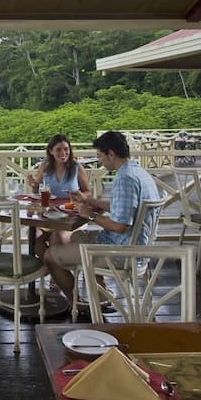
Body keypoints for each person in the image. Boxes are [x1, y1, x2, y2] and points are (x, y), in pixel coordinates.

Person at [42, 131, 160, 309]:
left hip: (122, 252)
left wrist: (90, 215)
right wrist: (89, 200)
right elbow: (122, 207)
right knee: (76, 236)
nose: (100, 161)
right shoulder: (138, 171)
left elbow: (120, 226)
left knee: (49, 256)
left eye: (100, 156)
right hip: (137, 245)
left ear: (111, 154)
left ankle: (77, 303)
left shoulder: (125, 178)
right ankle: (101, 293)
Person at [25, 134, 91, 258]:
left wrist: (79, 196)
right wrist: (34, 185)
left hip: (71, 217)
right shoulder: (45, 167)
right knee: (33, 236)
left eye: (66, 149)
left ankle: (53, 268)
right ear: (51, 151)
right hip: (48, 216)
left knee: (57, 238)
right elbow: (36, 191)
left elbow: (88, 192)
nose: (63, 153)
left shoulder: (76, 167)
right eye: (58, 150)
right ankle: (51, 266)